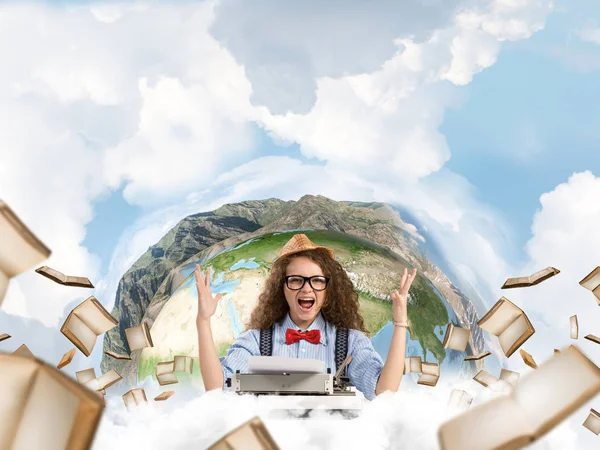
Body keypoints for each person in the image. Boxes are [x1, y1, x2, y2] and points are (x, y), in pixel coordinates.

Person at [195, 233, 417, 401]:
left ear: (328, 289)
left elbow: (383, 391)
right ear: (282, 288)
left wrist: (400, 323)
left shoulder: (350, 342)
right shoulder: (255, 341)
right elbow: (217, 388)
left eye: (317, 280)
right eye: (296, 280)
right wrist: (203, 321)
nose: (306, 289)